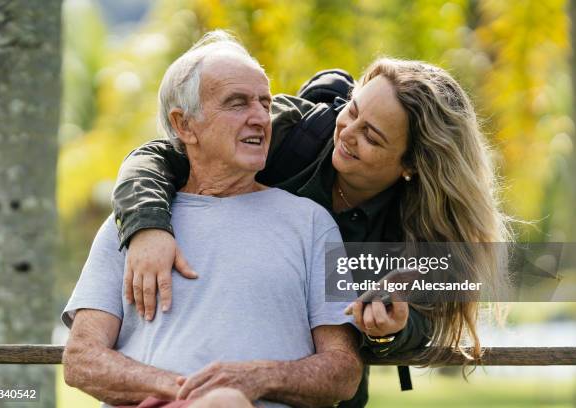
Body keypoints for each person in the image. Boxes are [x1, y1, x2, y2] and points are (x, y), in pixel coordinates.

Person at [111, 33, 512, 408]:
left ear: (410, 164)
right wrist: (148, 226)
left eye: (372, 137)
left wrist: (389, 329)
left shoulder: (425, 233)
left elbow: (423, 326)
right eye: (351, 111)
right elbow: (157, 156)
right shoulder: (292, 130)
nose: (347, 133)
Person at [62, 31, 363, 408]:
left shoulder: (314, 224)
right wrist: (189, 390)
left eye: (264, 103)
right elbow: (82, 360)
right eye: (237, 103)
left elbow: (344, 370)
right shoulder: (132, 226)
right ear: (185, 125)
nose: (260, 118)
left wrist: (254, 380)